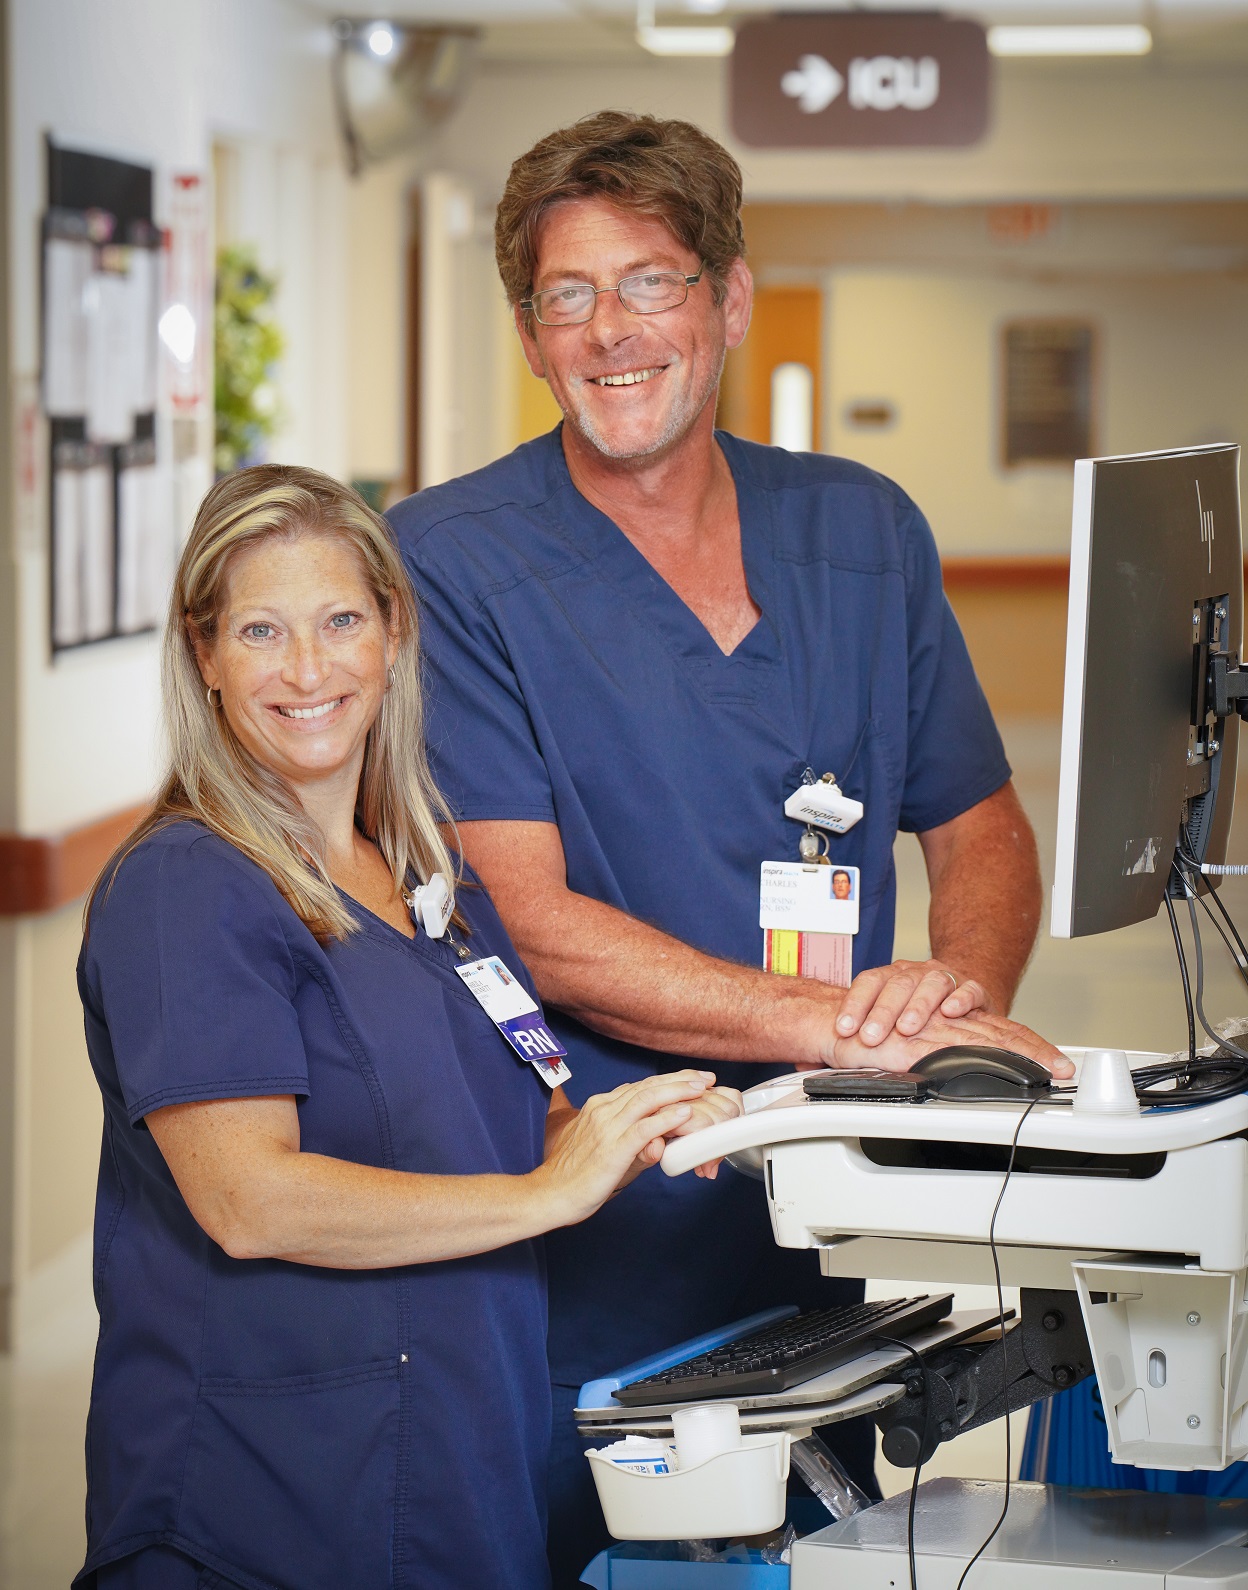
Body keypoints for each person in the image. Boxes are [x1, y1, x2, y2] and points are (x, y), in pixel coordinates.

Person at [388, 112, 1072, 1584]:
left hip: (822, 1225)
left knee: (801, 1552)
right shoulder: (451, 560)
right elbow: (531, 918)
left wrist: (946, 1012)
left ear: (731, 299)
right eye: (566, 295)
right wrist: (844, 1024)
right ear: (527, 330)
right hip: (589, 1221)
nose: (610, 331)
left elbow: (980, 818)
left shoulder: (863, 532)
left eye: (650, 281)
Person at [74, 465, 741, 1590]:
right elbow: (249, 1200)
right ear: (207, 658)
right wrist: (547, 1193)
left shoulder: (428, 876)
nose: (307, 668)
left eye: (341, 620)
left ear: (392, 634)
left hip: (457, 1466)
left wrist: (643, 1126)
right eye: (260, 631)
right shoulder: (187, 888)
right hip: (267, 1500)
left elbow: (520, 1116)